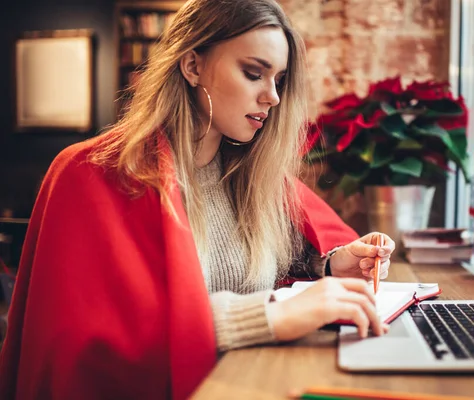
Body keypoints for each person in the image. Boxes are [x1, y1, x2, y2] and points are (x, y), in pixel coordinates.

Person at [0, 0, 395, 398]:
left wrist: (329, 265)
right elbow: (92, 347)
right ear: (192, 66)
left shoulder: (254, 177)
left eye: (279, 79)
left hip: (256, 382)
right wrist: (270, 317)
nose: (272, 97)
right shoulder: (91, 173)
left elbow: (282, 260)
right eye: (254, 73)